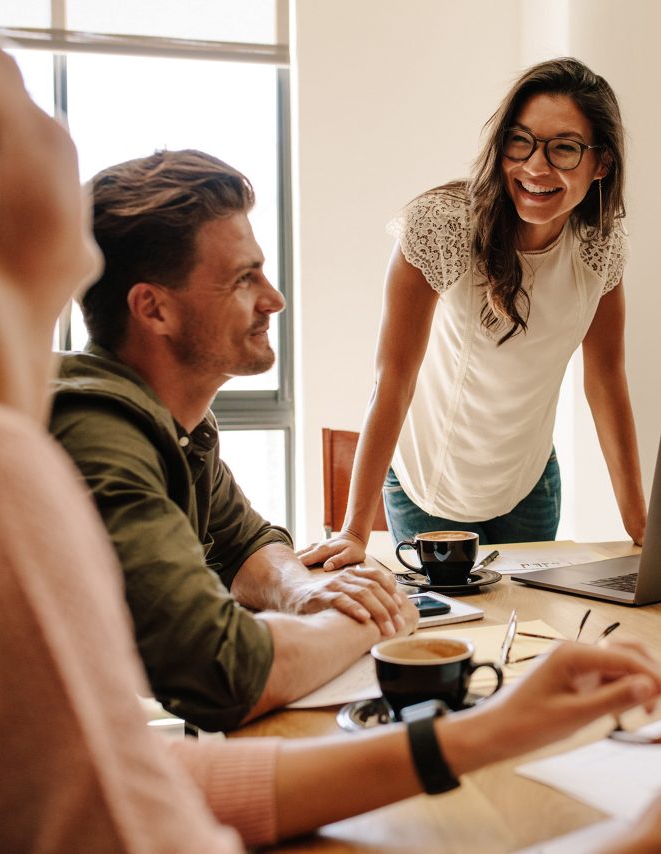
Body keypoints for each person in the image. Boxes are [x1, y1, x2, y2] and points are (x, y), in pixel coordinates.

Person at [0, 2, 661, 849]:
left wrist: (484, 729)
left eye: (568, 149)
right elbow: (206, 697)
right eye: (32, 101)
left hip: (518, 488)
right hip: (429, 489)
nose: (276, 299)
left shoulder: (107, 433)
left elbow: (136, 776)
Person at [49, 149, 414, 731]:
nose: (274, 300)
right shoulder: (99, 435)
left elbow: (241, 542)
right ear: (154, 309)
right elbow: (220, 673)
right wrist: (368, 621)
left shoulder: (177, 421)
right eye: (244, 279)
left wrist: (304, 593)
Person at [299, 58, 646, 571]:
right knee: (449, 631)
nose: (535, 166)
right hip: (429, 488)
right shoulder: (441, 227)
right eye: (520, 141)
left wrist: (639, 522)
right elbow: (393, 378)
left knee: (529, 633)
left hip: (530, 484)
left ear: (602, 164)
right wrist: (353, 530)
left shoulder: (600, 246)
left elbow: (606, 380)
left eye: (565, 148)